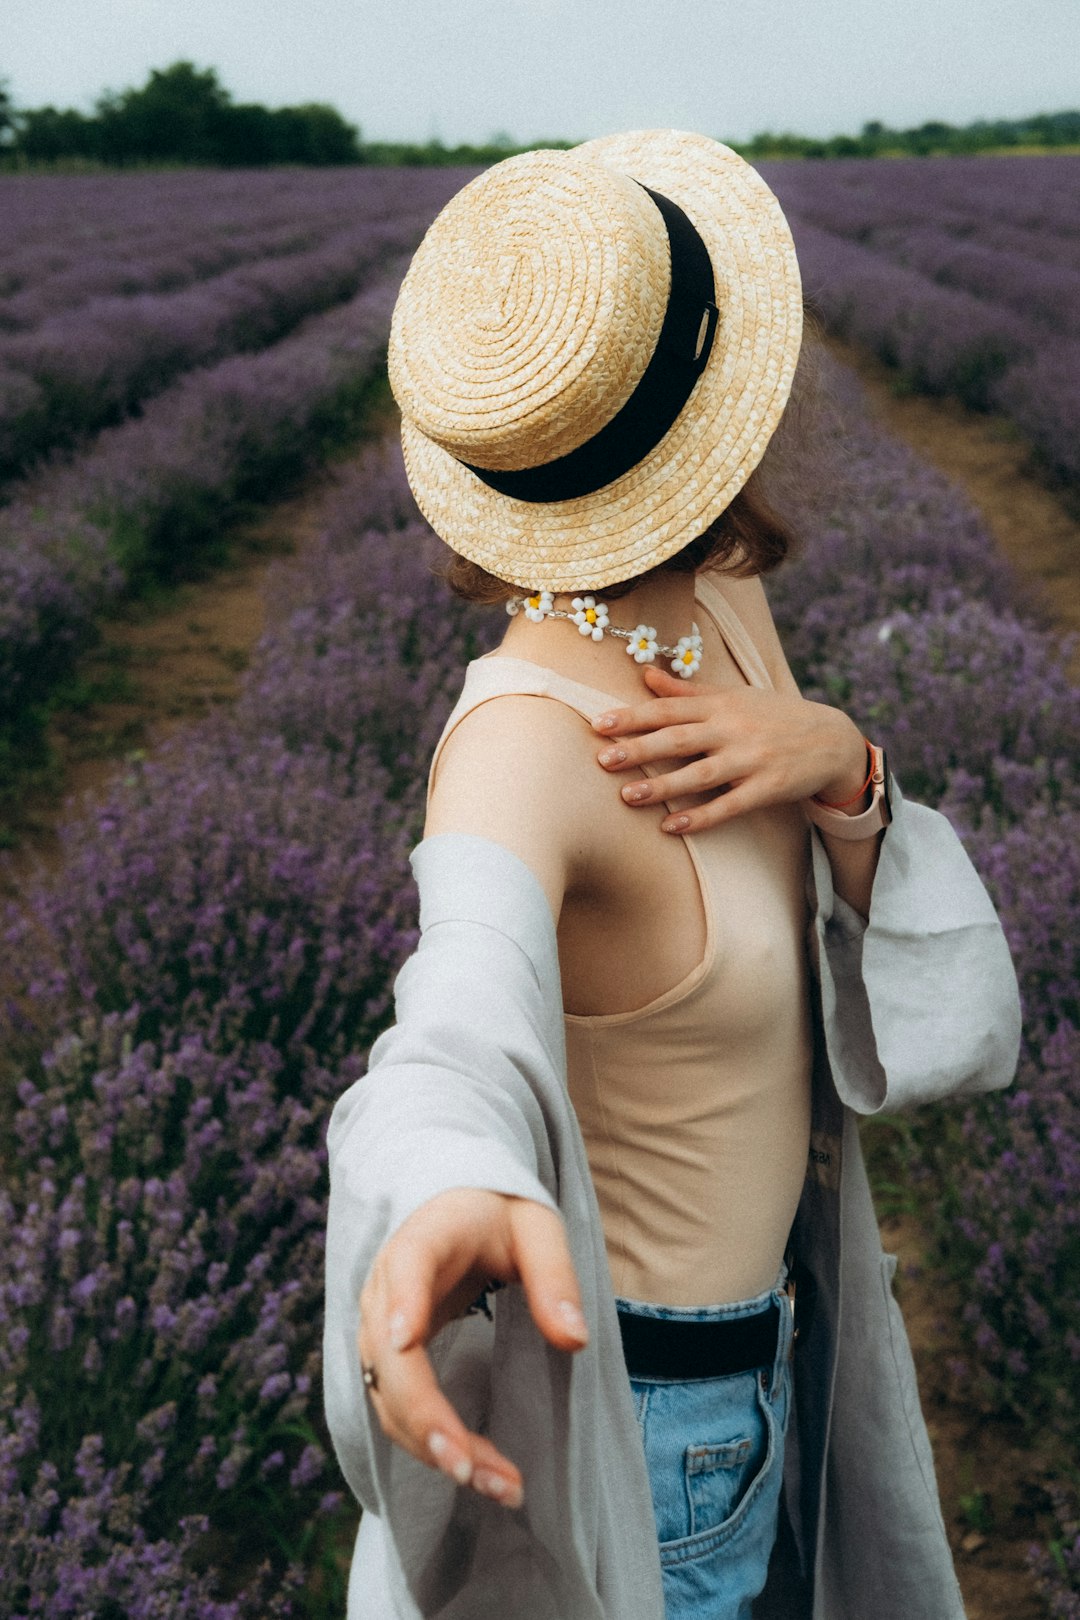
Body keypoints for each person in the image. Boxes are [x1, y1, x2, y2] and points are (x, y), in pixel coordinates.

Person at [322, 131, 1021, 1620]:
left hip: (778, 1344)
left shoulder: (721, 604)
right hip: (652, 1435)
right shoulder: (521, 748)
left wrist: (846, 762)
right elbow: (454, 1017)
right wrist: (440, 1183)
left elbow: (826, 907)